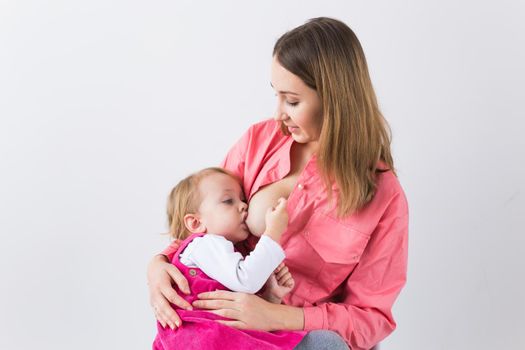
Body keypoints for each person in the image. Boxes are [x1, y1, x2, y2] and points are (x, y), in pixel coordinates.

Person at [147, 17, 409, 350]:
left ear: (335, 100)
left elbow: (371, 318)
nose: (278, 115)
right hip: (227, 328)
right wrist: (158, 266)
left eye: (293, 101)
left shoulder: (384, 196)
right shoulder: (258, 142)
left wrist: (274, 316)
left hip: (302, 337)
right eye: (277, 95)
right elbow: (204, 221)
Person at [153, 167, 305, 349]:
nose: (243, 206)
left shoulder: (218, 254)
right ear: (196, 222)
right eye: (228, 201)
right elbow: (246, 280)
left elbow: (240, 306)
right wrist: (273, 232)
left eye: (242, 199)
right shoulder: (204, 245)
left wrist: (270, 297)